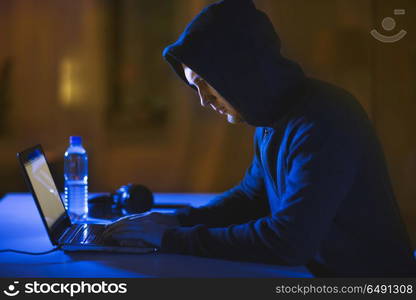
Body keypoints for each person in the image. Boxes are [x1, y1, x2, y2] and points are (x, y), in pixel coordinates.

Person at [103, 0, 416, 276]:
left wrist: (170, 239)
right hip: (316, 274)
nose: (203, 100)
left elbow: (288, 242)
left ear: (238, 70)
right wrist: (173, 222)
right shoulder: (275, 118)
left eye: (205, 84)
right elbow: (251, 199)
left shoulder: (325, 121)